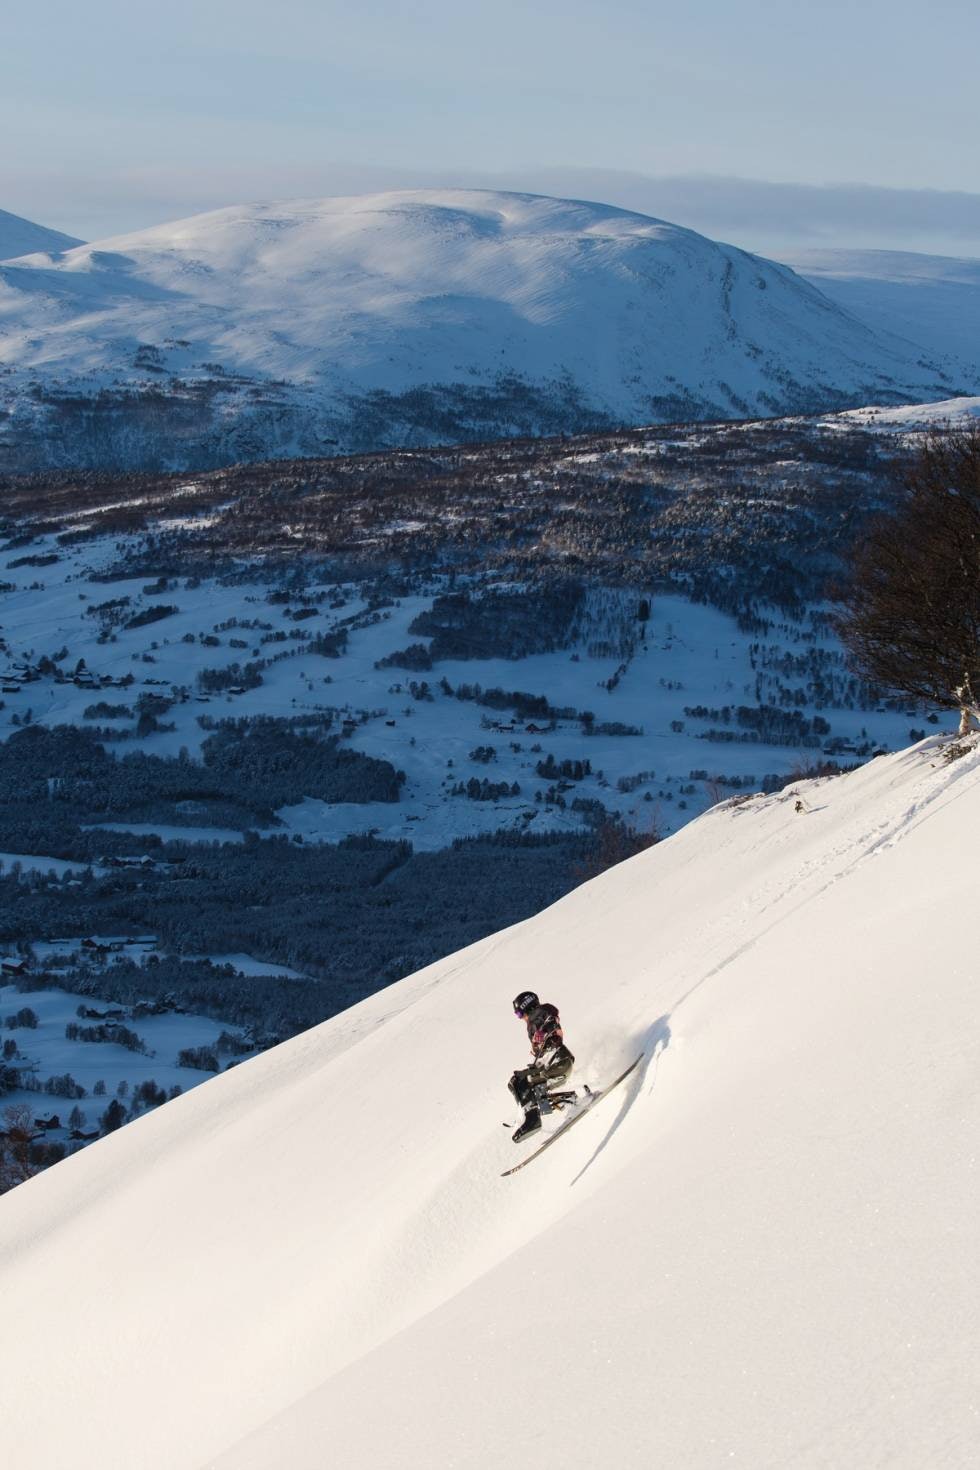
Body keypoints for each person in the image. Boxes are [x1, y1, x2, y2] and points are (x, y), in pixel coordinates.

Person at [508, 991, 576, 1142]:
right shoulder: (533, 1023)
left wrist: (544, 1030)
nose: (520, 1018)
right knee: (524, 1086)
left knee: (518, 1082)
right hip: (556, 1064)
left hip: (559, 1061)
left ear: (527, 1007)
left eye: (519, 1014)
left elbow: (552, 1019)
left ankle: (532, 1119)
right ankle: (569, 1100)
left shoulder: (540, 1013)